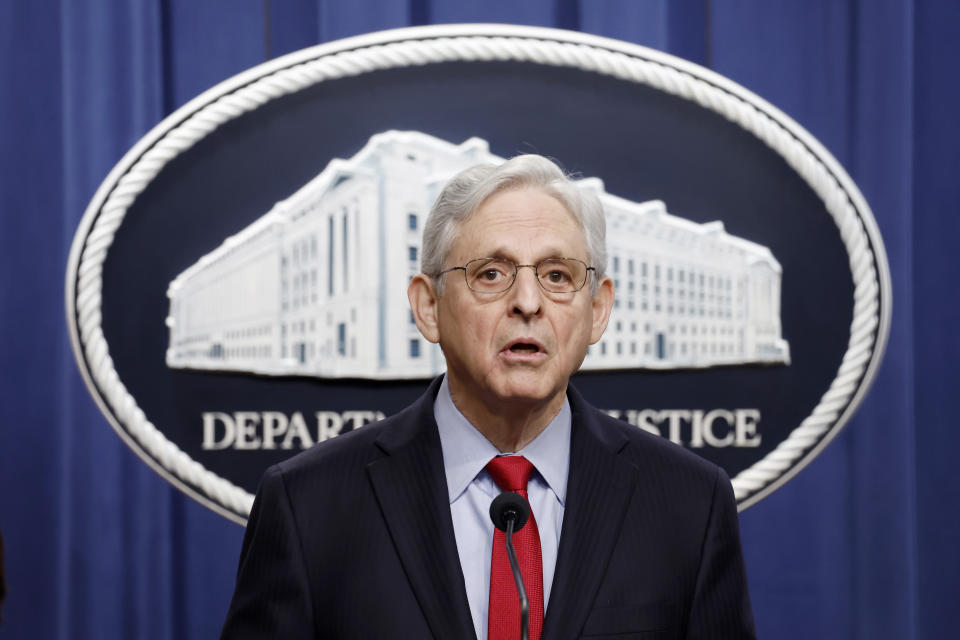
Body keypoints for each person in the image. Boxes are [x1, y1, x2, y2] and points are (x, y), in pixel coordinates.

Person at [220, 155, 756, 639]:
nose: (528, 302)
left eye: (556, 275)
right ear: (429, 307)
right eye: (492, 274)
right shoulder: (308, 504)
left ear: (596, 310)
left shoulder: (690, 503)